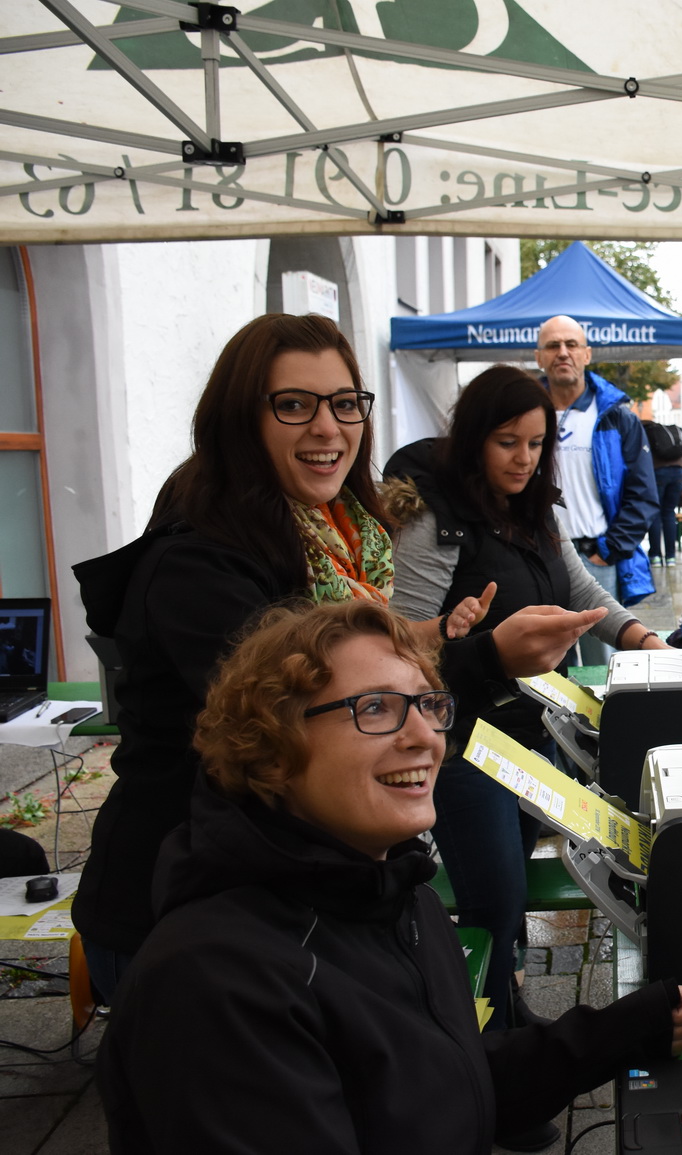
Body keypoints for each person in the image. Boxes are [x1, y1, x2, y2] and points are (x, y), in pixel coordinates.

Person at [71, 314, 591, 1009]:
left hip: (283, 892)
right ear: (238, 418)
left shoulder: (341, 538)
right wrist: (487, 655)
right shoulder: (199, 559)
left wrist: (436, 639)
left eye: (345, 403)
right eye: (294, 404)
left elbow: (360, 668)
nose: (328, 428)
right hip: (179, 907)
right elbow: (315, 713)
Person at [98, 599, 682, 1154]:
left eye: (429, 705)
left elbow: (447, 1078)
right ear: (272, 751)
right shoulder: (217, 983)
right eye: (375, 709)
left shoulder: (393, 894)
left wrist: (626, 1030)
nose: (424, 738)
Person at [384, 364, 669, 1033]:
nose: (524, 458)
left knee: (509, 896)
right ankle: (490, 1048)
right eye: (508, 441)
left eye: (537, 443)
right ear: (474, 438)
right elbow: (402, 648)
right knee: (495, 900)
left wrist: (639, 635)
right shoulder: (439, 522)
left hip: (528, 736)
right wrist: (480, 648)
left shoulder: (535, 510)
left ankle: (503, 1022)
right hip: (461, 744)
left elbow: (579, 588)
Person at [535, 315, 658, 664]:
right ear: (538, 357)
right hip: (540, 557)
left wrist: (610, 549)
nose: (563, 353)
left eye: (571, 345)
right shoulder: (523, 413)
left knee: (602, 665)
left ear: (587, 354)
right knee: (545, 666)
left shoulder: (617, 416)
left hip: (595, 558)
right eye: (553, 346)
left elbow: (643, 493)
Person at [643, 418, 682, 567]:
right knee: (668, 513)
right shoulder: (670, 433)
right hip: (678, 472)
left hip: (658, 473)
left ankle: (655, 556)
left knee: (655, 513)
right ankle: (671, 557)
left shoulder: (647, 432)